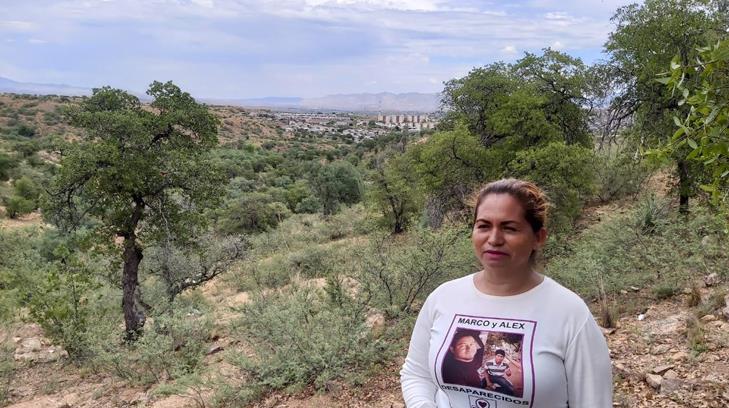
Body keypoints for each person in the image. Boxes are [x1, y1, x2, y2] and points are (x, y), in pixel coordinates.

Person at [400, 178, 612, 408]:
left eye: (509, 228)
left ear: (538, 237)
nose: (494, 239)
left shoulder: (570, 313)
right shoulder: (443, 298)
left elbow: (593, 401)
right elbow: (416, 373)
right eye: (483, 226)